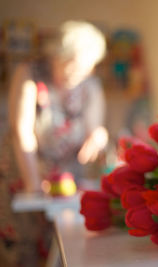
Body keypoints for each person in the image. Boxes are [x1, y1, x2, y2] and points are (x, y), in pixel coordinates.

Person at [0, 21, 108, 266]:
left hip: (67, 178)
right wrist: (33, 183)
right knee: (23, 246)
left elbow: (95, 127)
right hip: (25, 169)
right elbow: (22, 131)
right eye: (79, 64)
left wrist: (97, 136)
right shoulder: (30, 74)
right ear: (61, 55)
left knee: (65, 246)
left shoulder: (90, 82)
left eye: (89, 67)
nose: (84, 72)